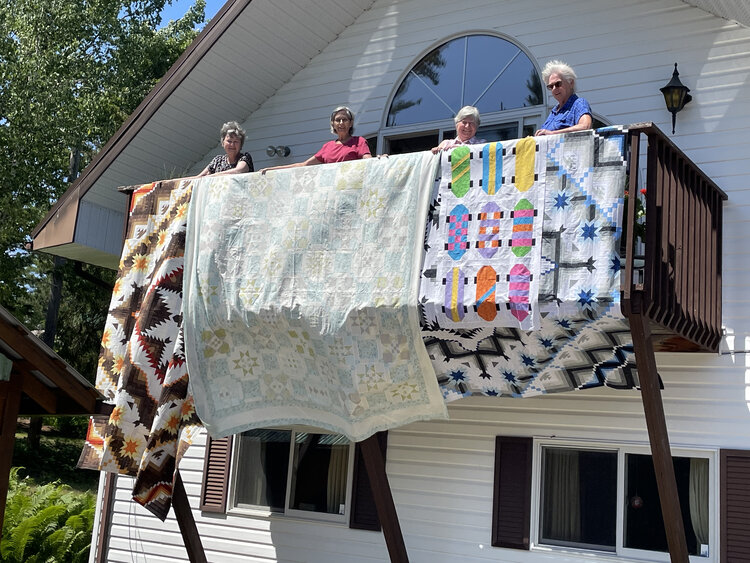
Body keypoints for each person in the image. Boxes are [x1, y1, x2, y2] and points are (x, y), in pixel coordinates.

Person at [261, 106, 372, 173]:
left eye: (345, 120)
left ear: (351, 123)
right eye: (338, 120)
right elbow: (304, 165)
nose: (341, 123)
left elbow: (369, 162)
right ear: (333, 124)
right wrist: (273, 169)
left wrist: (380, 160)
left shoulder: (359, 141)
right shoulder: (327, 147)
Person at [535, 60, 592, 136]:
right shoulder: (554, 112)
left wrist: (553, 133)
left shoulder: (578, 103)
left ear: (571, 83)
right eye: (551, 86)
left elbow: (585, 126)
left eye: (558, 84)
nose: (554, 88)